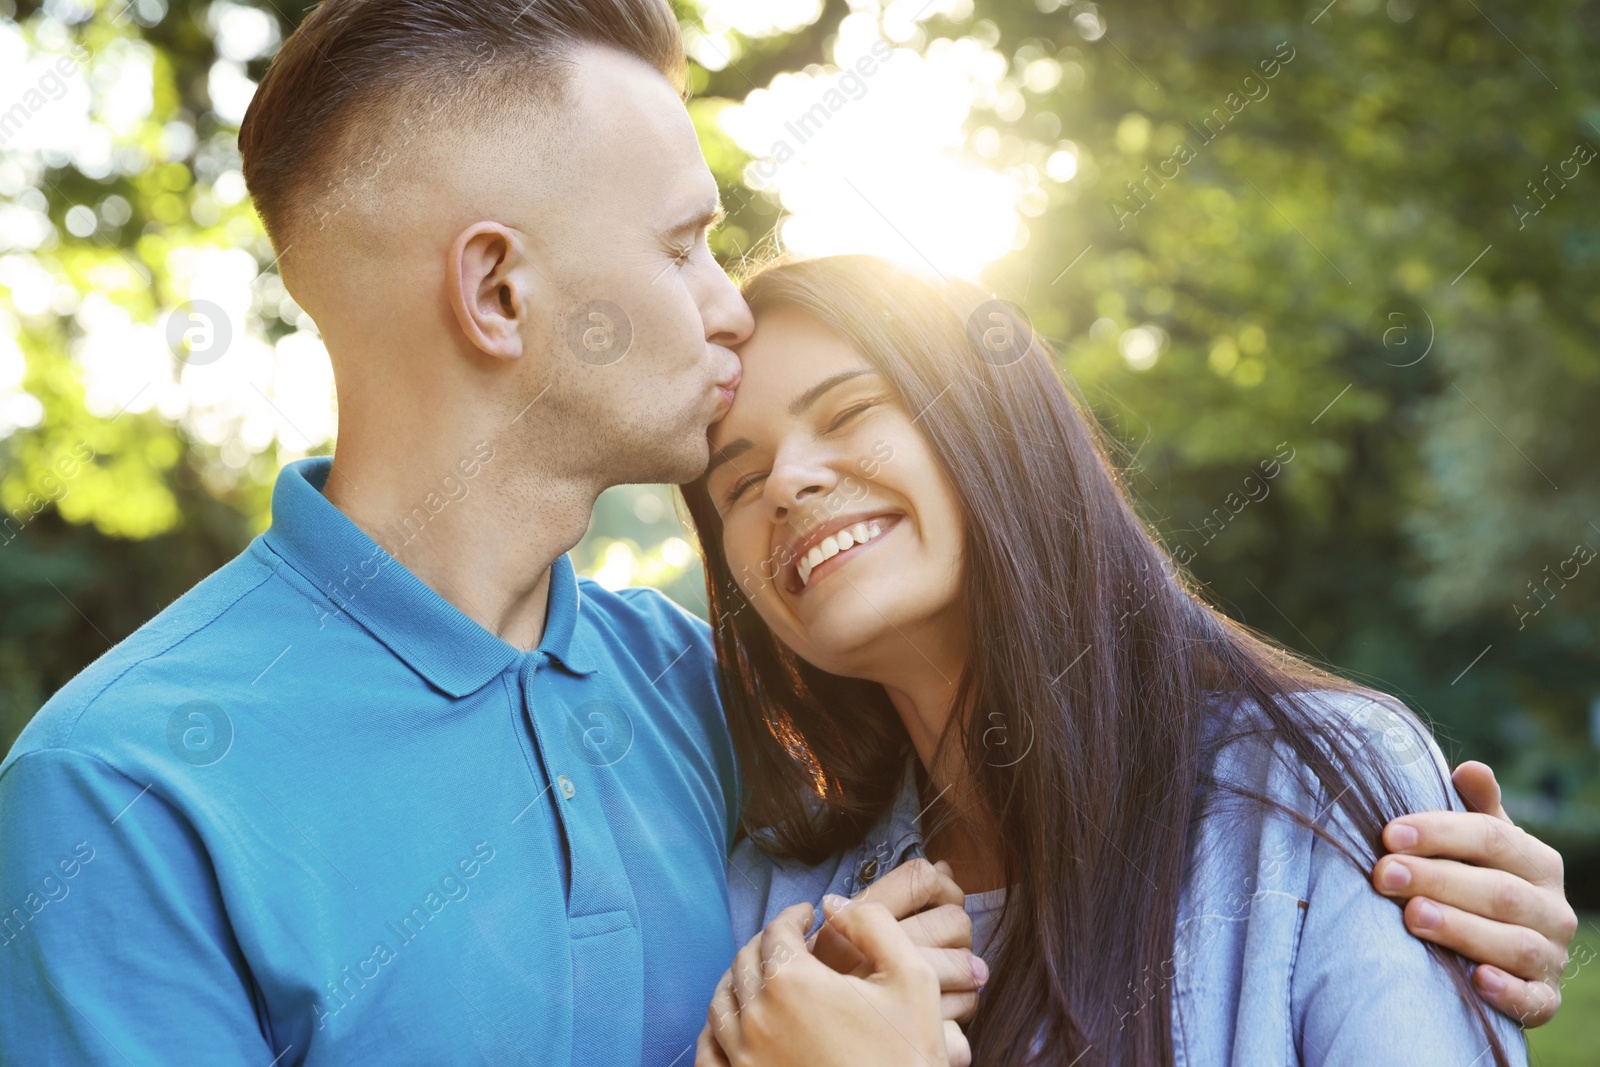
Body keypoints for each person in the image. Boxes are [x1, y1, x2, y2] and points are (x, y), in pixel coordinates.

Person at [0, 2, 1570, 1065]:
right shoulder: (129, 792)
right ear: (497, 292)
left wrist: (1389, 846)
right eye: (685, 242)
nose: (725, 304)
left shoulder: (718, 709)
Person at [684, 255, 1574, 1065]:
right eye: (738, 483)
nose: (788, 483)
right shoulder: (776, 915)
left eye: (846, 412)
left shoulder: (1323, 790)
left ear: (993, 425)